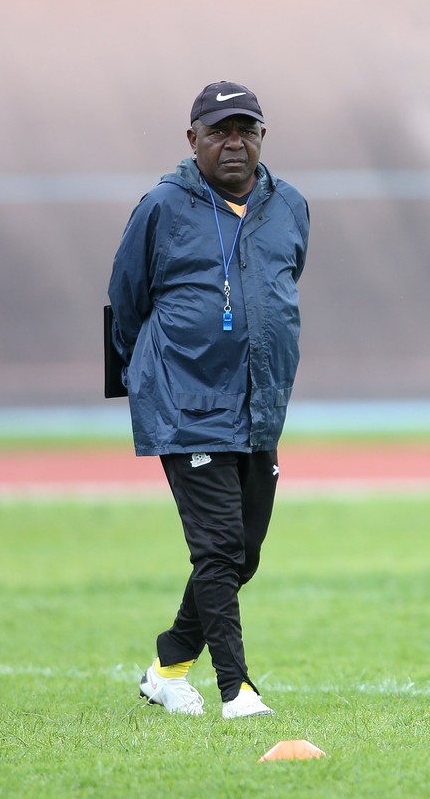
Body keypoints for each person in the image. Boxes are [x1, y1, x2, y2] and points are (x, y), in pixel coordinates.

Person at [107, 81, 309, 719]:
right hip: (186, 403)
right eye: (219, 131)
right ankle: (237, 689)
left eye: (245, 130)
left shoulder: (291, 206)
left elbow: (283, 285)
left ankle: (167, 667)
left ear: (263, 139)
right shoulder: (162, 207)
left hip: (259, 404)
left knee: (243, 551)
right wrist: (144, 381)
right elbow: (126, 299)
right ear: (191, 139)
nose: (234, 143)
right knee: (218, 547)